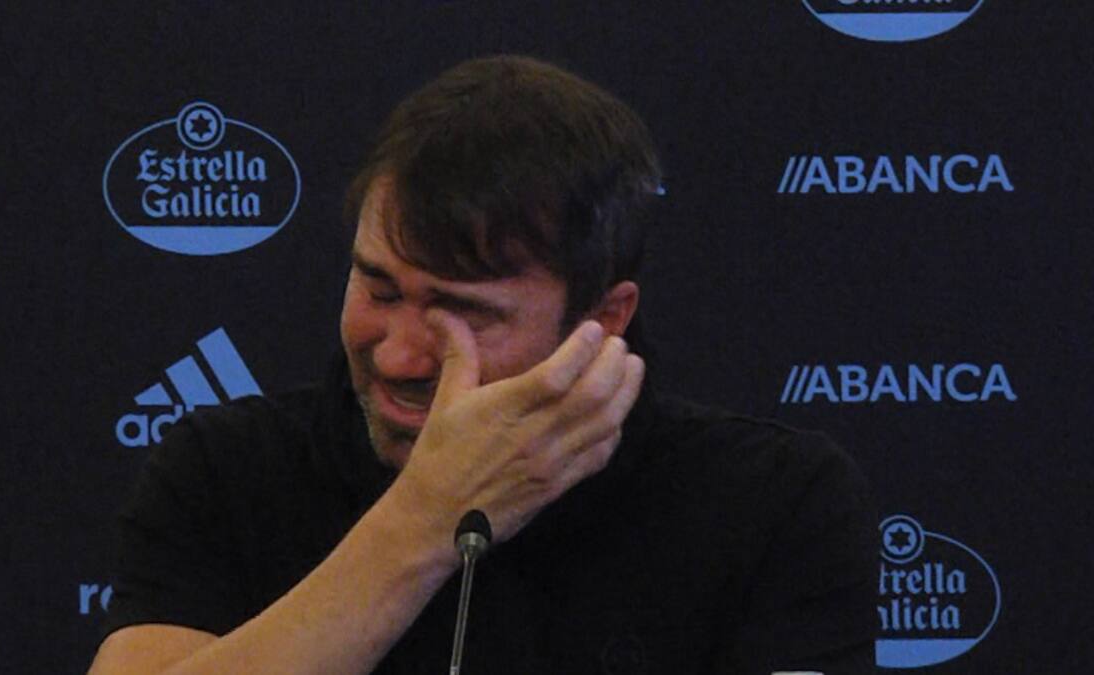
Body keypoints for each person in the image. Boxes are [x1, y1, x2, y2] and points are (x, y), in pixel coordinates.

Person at [89, 55, 876, 674]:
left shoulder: (773, 503)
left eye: (465, 314)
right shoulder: (226, 470)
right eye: (378, 288)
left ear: (603, 319)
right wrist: (430, 515)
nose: (399, 354)